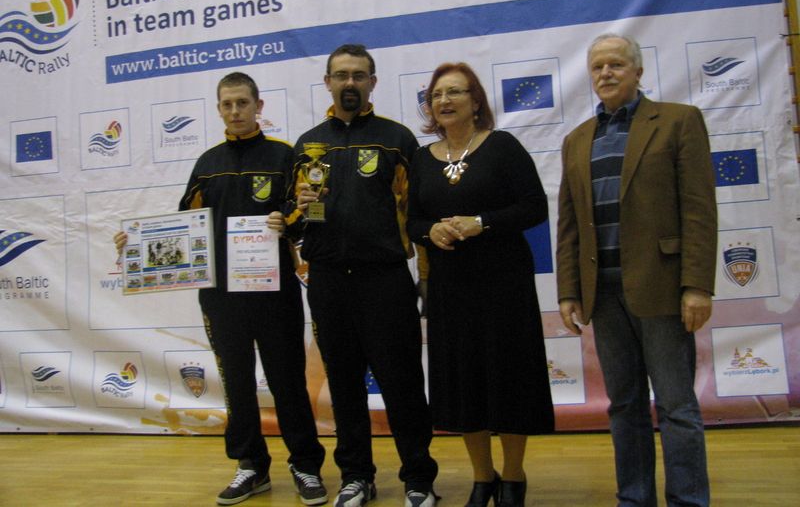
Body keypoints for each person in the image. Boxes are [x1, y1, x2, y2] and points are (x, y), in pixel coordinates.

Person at [114, 72, 326, 506]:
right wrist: (136, 245)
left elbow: (311, 214)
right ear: (218, 110)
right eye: (227, 105)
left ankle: (305, 465)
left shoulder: (285, 156)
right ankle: (251, 466)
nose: (235, 111)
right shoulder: (208, 163)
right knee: (236, 384)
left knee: (288, 381)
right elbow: (182, 229)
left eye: (243, 103)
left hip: (275, 293)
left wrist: (286, 220)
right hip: (221, 297)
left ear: (258, 106)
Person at [556, 34, 717, 507]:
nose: (605, 73)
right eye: (598, 66)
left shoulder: (679, 121)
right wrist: (569, 291)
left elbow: (699, 211)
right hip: (603, 295)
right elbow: (569, 224)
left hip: (662, 289)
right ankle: (634, 499)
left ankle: (688, 500)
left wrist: (696, 285)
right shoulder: (576, 140)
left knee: (676, 406)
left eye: (616, 64)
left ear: (638, 72)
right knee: (624, 406)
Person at [289, 44, 438, 507]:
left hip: (385, 280)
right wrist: (293, 214)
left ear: (372, 82)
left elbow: (420, 213)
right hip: (328, 281)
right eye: (341, 75)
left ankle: (418, 479)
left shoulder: (397, 139)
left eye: (358, 75)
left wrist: (427, 277)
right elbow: (295, 220)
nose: (349, 83)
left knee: (403, 384)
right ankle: (356, 477)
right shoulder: (308, 145)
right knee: (345, 385)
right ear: (327, 82)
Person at [406, 62, 554, 507]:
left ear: (475, 101)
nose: (444, 101)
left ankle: (514, 476)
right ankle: (482, 477)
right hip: (450, 289)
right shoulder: (421, 159)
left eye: (454, 92)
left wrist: (482, 222)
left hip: (504, 285)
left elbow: (535, 207)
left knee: (509, 378)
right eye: (436, 95)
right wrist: (430, 231)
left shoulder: (502, 146)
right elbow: (413, 221)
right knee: (463, 381)